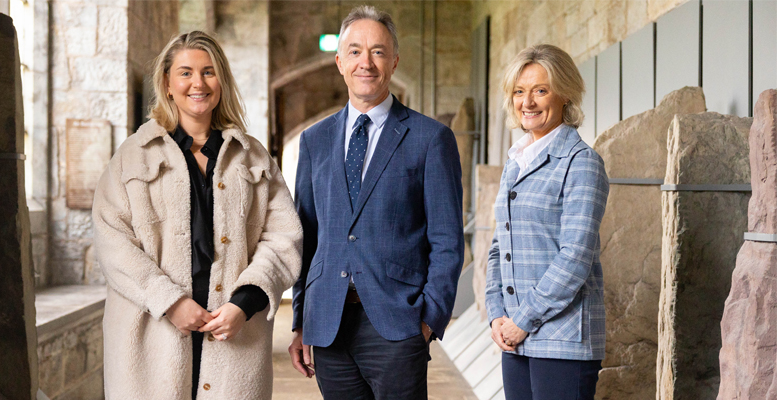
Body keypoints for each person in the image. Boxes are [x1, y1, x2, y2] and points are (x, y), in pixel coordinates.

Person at [92, 31, 302, 400]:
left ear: (221, 81)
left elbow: (284, 236)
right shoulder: (132, 156)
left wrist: (245, 302)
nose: (198, 83)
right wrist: (169, 301)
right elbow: (113, 242)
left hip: (234, 334)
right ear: (168, 84)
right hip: (152, 337)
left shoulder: (252, 156)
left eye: (208, 72)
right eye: (185, 72)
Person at [288, 5, 464, 399]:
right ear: (339, 62)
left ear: (395, 61)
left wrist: (428, 320)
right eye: (354, 51)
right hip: (328, 324)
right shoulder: (314, 141)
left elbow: (448, 240)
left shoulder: (430, 139)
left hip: (397, 325)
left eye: (378, 51)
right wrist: (301, 319)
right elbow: (306, 235)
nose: (365, 62)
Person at [484, 44, 609, 400]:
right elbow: (498, 248)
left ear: (565, 94)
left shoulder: (581, 162)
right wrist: (498, 315)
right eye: (519, 92)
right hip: (515, 338)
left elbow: (575, 257)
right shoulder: (516, 161)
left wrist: (522, 320)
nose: (528, 102)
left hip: (562, 341)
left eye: (541, 90)